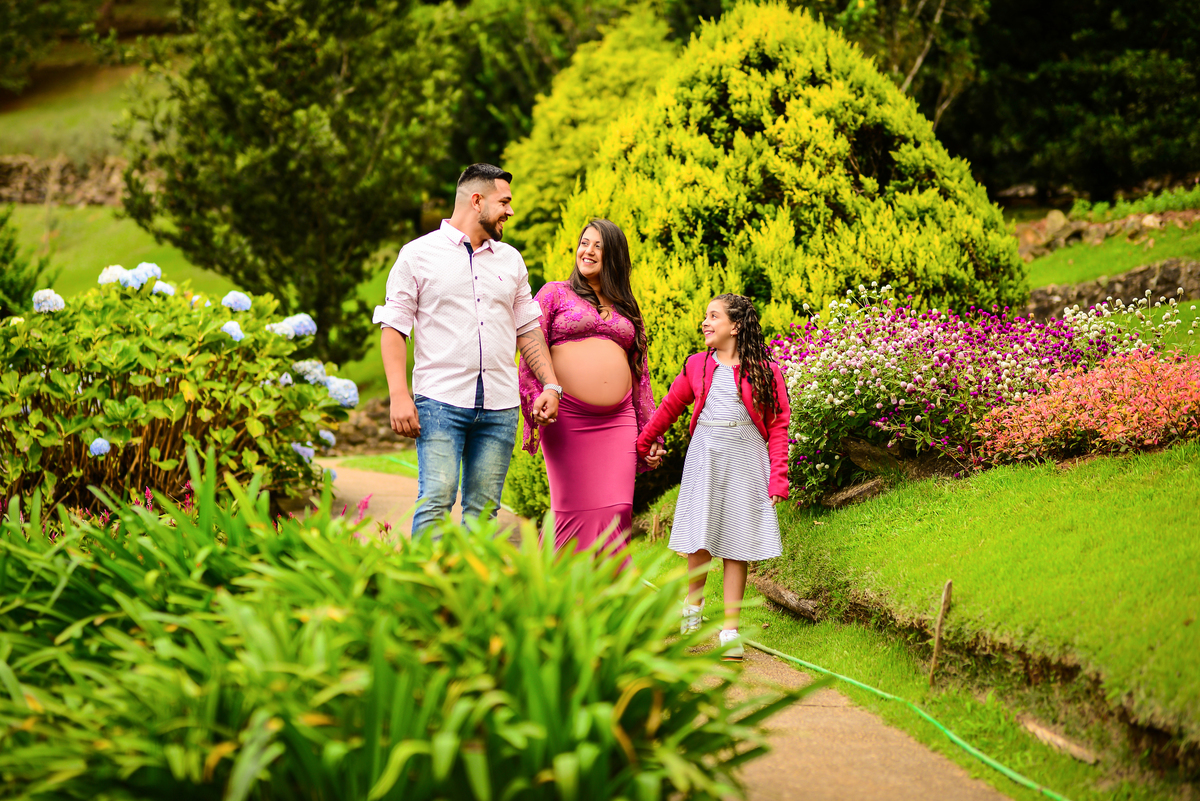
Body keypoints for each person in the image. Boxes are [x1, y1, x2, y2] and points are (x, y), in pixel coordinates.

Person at [374, 164, 563, 536]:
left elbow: (527, 329)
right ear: (477, 201)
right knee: (437, 498)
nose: (510, 211)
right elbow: (394, 326)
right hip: (440, 402)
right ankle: (424, 590)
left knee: (483, 511)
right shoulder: (416, 255)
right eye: (504, 201)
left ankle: (470, 591)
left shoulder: (511, 260)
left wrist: (551, 385)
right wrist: (398, 395)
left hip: (500, 407)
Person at [635, 294, 790, 661]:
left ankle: (730, 631)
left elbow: (779, 424)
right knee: (700, 535)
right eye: (705, 316)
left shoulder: (767, 372)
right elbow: (671, 406)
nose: (705, 322)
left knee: (738, 544)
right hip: (706, 454)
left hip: (747, 457)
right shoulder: (696, 365)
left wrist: (778, 477)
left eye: (713, 316)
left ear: (735, 327)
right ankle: (693, 608)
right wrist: (643, 442)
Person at [518, 219, 666, 557]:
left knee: (617, 512)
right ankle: (554, 594)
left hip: (619, 420)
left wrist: (650, 435)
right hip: (567, 416)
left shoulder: (627, 306)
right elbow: (529, 343)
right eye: (584, 243)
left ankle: (607, 598)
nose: (588, 251)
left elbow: (640, 377)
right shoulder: (555, 292)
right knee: (570, 512)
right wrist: (539, 394)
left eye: (598, 246)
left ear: (613, 255)